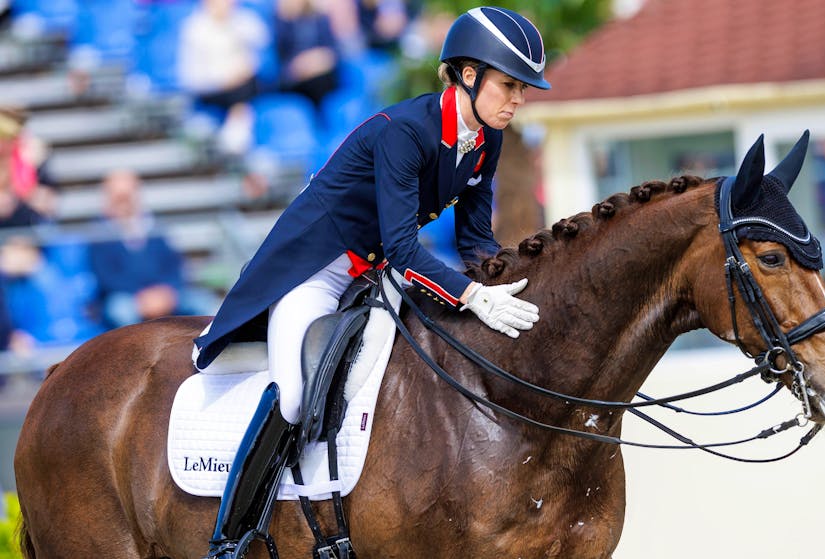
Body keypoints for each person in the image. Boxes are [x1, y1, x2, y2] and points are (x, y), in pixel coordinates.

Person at [193, 6, 549, 557]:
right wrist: (473, 295)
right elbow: (407, 248)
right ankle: (230, 537)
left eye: (522, 88)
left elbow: (475, 242)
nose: (518, 99)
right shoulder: (405, 132)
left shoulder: (486, 139)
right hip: (316, 268)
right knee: (292, 394)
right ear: (469, 75)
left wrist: (512, 283)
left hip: (376, 271)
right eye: (509, 85)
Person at [88, 170, 206, 328]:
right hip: (127, 296)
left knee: (203, 304)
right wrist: (143, 298)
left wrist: (166, 292)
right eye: (118, 198)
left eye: (127, 196)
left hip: (165, 292)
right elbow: (106, 277)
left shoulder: (155, 226)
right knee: (121, 312)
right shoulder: (99, 233)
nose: (124, 202)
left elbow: (175, 265)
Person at [176, 0, 271, 155]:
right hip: (211, 89)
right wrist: (223, 80)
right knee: (242, 91)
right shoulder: (194, 28)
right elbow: (192, 77)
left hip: (243, 84)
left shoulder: (243, 20)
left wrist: (232, 25)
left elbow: (262, 41)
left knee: (251, 84)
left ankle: (237, 129)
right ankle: (236, 133)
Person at [274, 0, 340, 110]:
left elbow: (333, 50)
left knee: (323, 81)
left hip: (321, 70)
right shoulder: (281, 21)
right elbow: (279, 60)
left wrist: (317, 60)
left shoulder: (319, 18)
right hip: (294, 77)